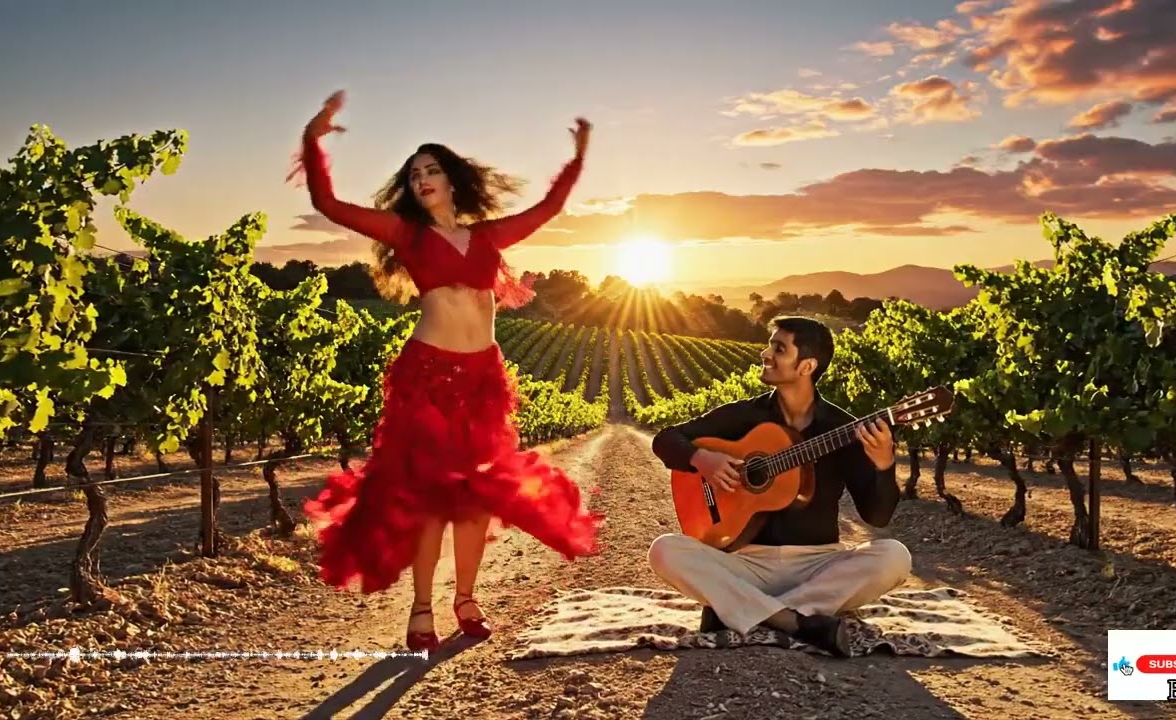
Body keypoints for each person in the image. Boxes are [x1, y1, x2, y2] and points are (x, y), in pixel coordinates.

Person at [290, 90, 603, 653]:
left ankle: (467, 598)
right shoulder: (406, 234)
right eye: (414, 175)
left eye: (431, 170)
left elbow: (547, 211)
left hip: (484, 377)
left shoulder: (486, 236)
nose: (422, 180)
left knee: (475, 498)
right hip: (429, 374)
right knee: (434, 498)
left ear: (452, 180)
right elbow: (329, 204)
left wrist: (578, 157)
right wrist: (314, 139)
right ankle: (421, 607)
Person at [647, 316, 912, 657]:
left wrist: (884, 464)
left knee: (894, 556)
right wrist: (702, 458)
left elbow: (877, 516)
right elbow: (666, 439)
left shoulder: (843, 429)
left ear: (807, 366)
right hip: (745, 565)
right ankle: (796, 621)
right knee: (664, 550)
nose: (765, 353)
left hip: (818, 565)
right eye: (770, 345)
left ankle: (740, 611)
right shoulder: (745, 415)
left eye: (779, 348)